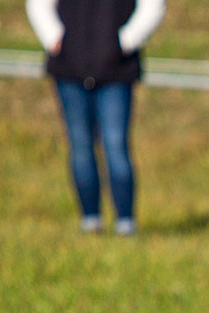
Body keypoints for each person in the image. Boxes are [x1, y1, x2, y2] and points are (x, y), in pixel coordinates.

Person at [27, 0, 166, 236]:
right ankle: (90, 222)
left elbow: (153, 6)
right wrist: (55, 39)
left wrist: (125, 41)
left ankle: (126, 223)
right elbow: (38, 5)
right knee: (80, 145)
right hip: (70, 68)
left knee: (116, 145)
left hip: (116, 70)